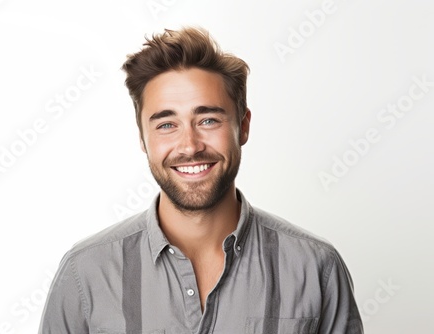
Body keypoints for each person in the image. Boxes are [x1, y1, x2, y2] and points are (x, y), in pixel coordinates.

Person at [39, 27, 363, 334]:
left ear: (243, 126)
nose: (190, 146)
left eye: (208, 119)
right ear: (142, 138)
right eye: (167, 125)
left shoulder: (316, 268)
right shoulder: (85, 274)